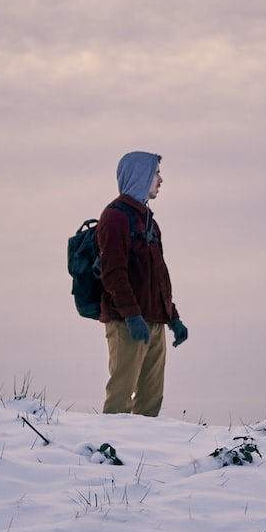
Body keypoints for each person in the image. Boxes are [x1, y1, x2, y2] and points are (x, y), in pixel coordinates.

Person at [97, 151, 188, 416]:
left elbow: (157, 276)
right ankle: (109, 451)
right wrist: (132, 316)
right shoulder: (114, 217)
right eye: (156, 173)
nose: (160, 180)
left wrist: (173, 318)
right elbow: (112, 273)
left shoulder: (149, 222)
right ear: (140, 175)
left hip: (154, 321)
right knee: (121, 395)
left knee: (151, 399)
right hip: (127, 322)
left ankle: (142, 455)